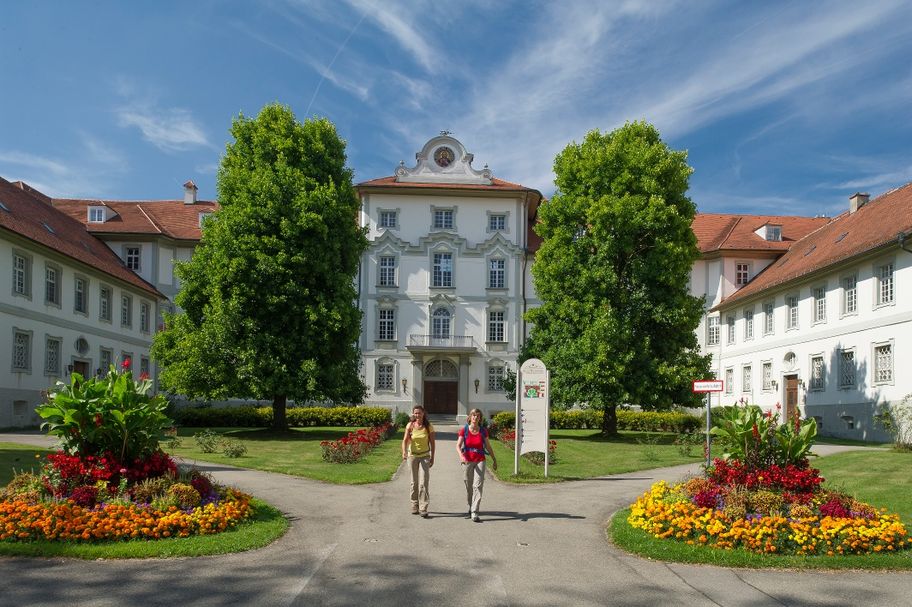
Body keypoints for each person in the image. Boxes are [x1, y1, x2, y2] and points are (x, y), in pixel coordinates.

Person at [456, 408, 497, 522]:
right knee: (468, 484)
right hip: (467, 460)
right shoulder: (464, 430)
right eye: (473, 415)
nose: (475, 417)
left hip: (480, 460)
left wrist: (494, 459)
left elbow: (488, 446)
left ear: (480, 418)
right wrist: (461, 456)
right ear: (470, 417)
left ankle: (475, 511)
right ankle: (471, 505)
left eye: (478, 416)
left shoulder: (483, 431)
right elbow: (458, 446)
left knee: (478, 485)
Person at [401, 405, 435, 517]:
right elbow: (405, 440)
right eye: (415, 413)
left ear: (423, 413)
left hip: (425, 456)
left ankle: (423, 507)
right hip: (413, 456)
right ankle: (414, 505)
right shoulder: (410, 425)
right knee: (414, 482)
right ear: (413, 414)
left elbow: (432, 443)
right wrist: (404, 451)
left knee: (423, 482)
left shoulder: (428, 426)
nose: (417, 415)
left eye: (419, 413)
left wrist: (432, 457)